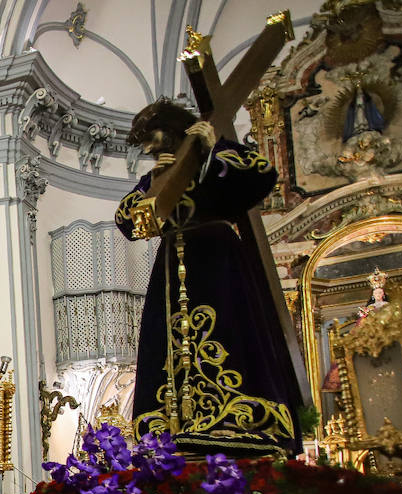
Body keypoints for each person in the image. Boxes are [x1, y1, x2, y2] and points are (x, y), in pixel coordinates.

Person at [117, 99, 303, 457]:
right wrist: (157, 182)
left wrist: (216, 147)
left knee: (231, 329)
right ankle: (176, 422)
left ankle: (237, 419)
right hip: (171, 265)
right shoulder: (154, 178)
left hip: (219, 261)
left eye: (154, 143)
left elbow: (262, 175)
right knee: (168, 343)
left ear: (173, 133)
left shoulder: (213, 162)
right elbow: (129, 223)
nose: (150, 151)